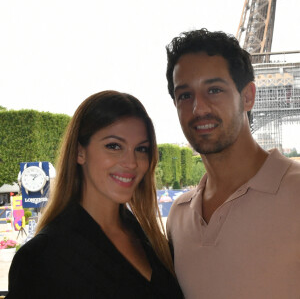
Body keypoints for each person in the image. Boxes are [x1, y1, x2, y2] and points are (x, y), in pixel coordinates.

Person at [7, 91, 183, 299]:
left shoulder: (149, 238)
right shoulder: (40, 257)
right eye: (114, 146)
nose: (132, 163)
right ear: (79, 152)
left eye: (141, 149)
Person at [165, 28, 300, 298]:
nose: (198, 108)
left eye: (214, 90)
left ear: (248, 96)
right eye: (185, 95)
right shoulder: (177, 217)